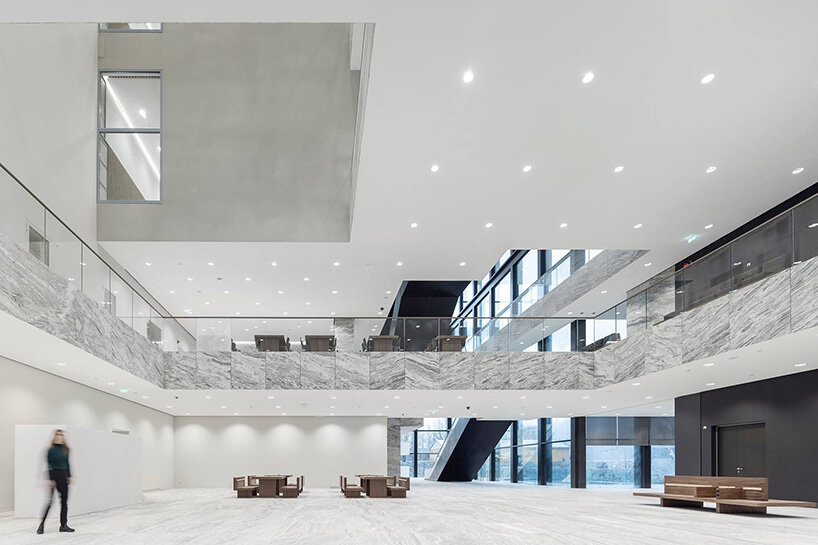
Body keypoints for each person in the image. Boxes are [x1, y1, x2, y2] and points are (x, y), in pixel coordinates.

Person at [36, 430, 74, 534]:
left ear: (63, 437)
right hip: (54, 476)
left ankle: (63, 525)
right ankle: (41, 525)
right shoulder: (50, 450)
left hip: (64, 476)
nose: (59, 437)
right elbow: (49, 465)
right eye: (57, 435)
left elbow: (67, 463)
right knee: (50, 502)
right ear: (54, 437)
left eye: (61, 435)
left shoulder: (66, 449)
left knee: (64, 503)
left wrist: (69, 476)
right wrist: (51, 479)